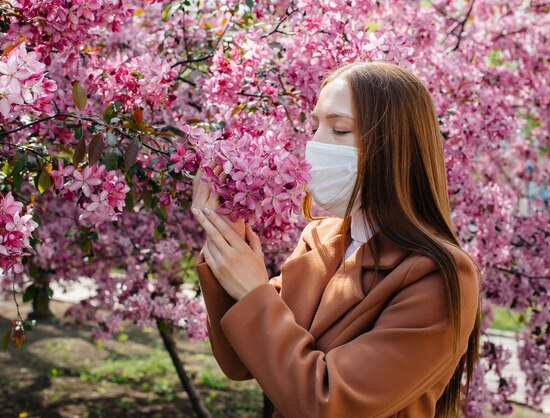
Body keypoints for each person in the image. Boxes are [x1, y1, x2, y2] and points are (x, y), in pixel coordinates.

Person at [191, 61, 483, 418]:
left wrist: (254, 292)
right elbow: (242, 362)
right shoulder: (322, 237)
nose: (315, 146)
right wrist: (225, 244)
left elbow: (328, 404)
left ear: (395, 147)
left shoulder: (438, 275)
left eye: (340, 130)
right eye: (314, 126)